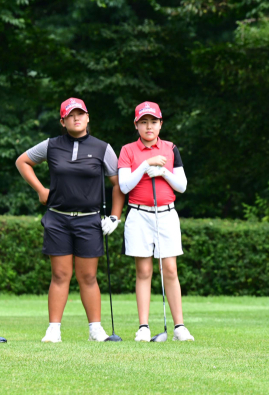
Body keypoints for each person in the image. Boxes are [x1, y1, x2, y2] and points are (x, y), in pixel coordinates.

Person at [16, 98, 125, 342]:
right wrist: (41, 190)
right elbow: (22, 162)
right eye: (70, 115)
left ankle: (95, 329)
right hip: (58, 218)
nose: (76, 118)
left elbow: (118, 183)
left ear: (87, 118)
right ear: (63, 121)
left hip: (89, 220)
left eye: (80, 114)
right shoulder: (51, 145)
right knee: (60, 275)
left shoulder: (102, 148)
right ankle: (54, 329)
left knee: (88, 277)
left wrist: (115, 216)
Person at [118, 101, 194, 342]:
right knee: (144, 271)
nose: (148, 126)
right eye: (143, 122)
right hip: (139, 214)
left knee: (170, 269)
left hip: (167, 214)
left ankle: (179, 327)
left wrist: (163, 172)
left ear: (160, 124)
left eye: (153, 121)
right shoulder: (128, 150)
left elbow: (181, 186)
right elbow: (124, 185)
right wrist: (145, 165)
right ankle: (143, 327)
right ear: (136, 125)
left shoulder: (171, 149)